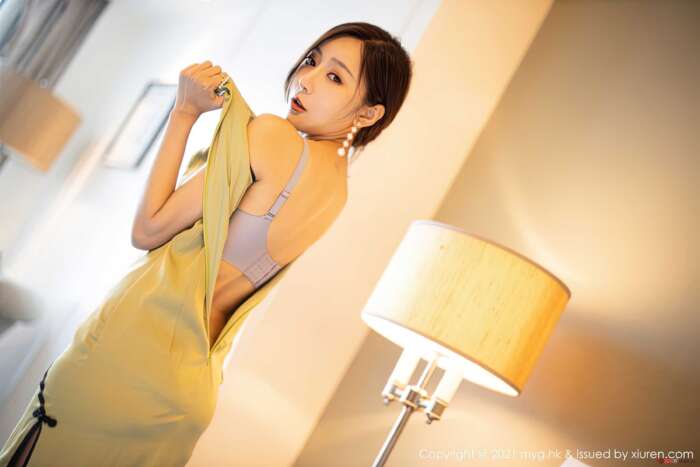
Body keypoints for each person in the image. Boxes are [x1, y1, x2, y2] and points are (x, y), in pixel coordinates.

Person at [0, 21, 412, 466]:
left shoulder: (274, 137)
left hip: (126, 359)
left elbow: (148, 229)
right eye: (312, 61)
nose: (306, 80)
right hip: (187, 395)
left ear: (369, 114)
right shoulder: (336, 193)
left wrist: (183, 112)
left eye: (334, 77)